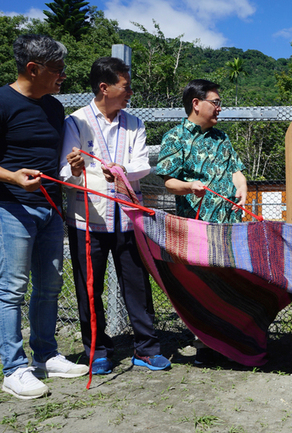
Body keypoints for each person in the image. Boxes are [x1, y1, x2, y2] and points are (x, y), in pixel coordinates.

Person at [60, 57, 171, 375]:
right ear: (104, 87)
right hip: (86, 222)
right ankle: (97, 351)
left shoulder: (135, 123)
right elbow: (62, 172)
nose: (130, 92)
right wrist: (75, 168)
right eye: (126, 86)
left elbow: (142, 165)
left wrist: (123, 171)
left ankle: (146, 349)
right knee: (88, 288)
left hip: (127, 219)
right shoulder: (75, 122)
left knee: (137, 285)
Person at [0, 34, 89, 400]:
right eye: (57, 70)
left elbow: (59, 158)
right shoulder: (3, 102)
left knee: (50, 286)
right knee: (12, 289)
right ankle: (13, 367)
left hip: (51, 208)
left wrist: (74, 164)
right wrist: (12, 176)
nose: (63, 76)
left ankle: (46, 355)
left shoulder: (53, 107)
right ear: (33, 69)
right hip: (12, 208)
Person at [156, 79, 247, 365]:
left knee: (230, 281)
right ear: (196, 103)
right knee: (202, 285)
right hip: (196, 229)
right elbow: (168, 182)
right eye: (216, 102)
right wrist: (189, 186)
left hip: (228, 226)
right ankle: (204, 346)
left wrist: (242, 187)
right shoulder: (175, 138)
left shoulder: (222, 138)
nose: (220, 108)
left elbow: (236, 171)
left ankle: (232, 341)